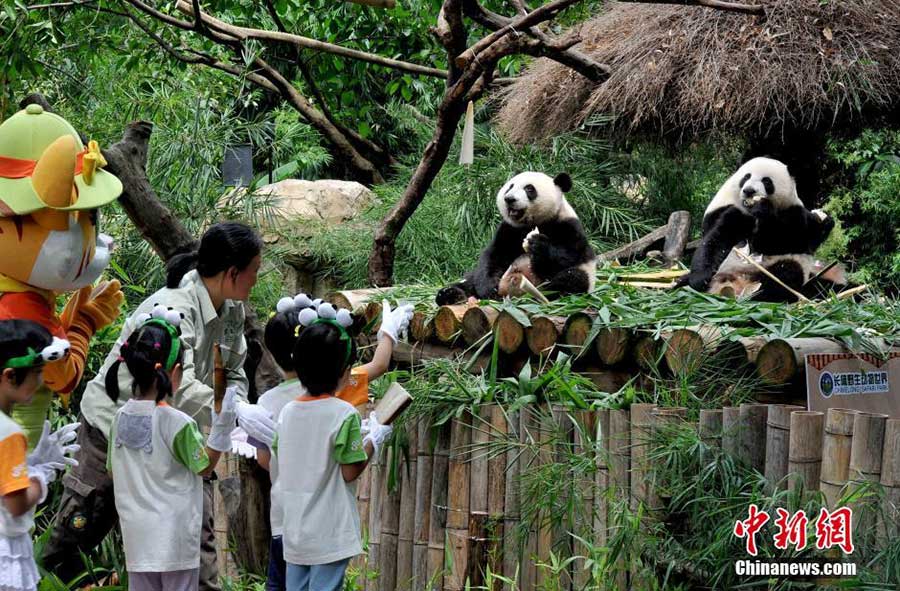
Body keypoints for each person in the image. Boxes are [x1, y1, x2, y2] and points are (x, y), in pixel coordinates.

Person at [45, 222, 274, 591]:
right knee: (76, 534)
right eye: (254, 272)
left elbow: (232, 371)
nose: (255, 281)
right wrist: (228, 413)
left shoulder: (232, 311)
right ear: (232, 273)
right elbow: (171, 383)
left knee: (194, 541)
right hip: (117, 428)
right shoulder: (170, 308)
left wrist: (238, 405)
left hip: (178, 433)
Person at [255, 297, 412, 591]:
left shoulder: (286, 412)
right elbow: (350, 470)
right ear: (344, 370)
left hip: (294, 530)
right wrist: (374, 440)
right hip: (328, 533)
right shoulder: (344, 414)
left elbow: (277, 457)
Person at [106, 310, 237, 591]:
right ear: (174, 373)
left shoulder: (119, 420)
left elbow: (112, 470)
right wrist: (220, 432)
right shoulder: (178, 423)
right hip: (176, 543)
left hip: (137, 541)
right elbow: (204, 467)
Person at [0, 319, 80, 591]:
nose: (42, 381)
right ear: (10, 376)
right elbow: (16, 504)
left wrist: (29, 462)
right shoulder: (9, 432)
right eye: (37, 373)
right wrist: (39, 477)